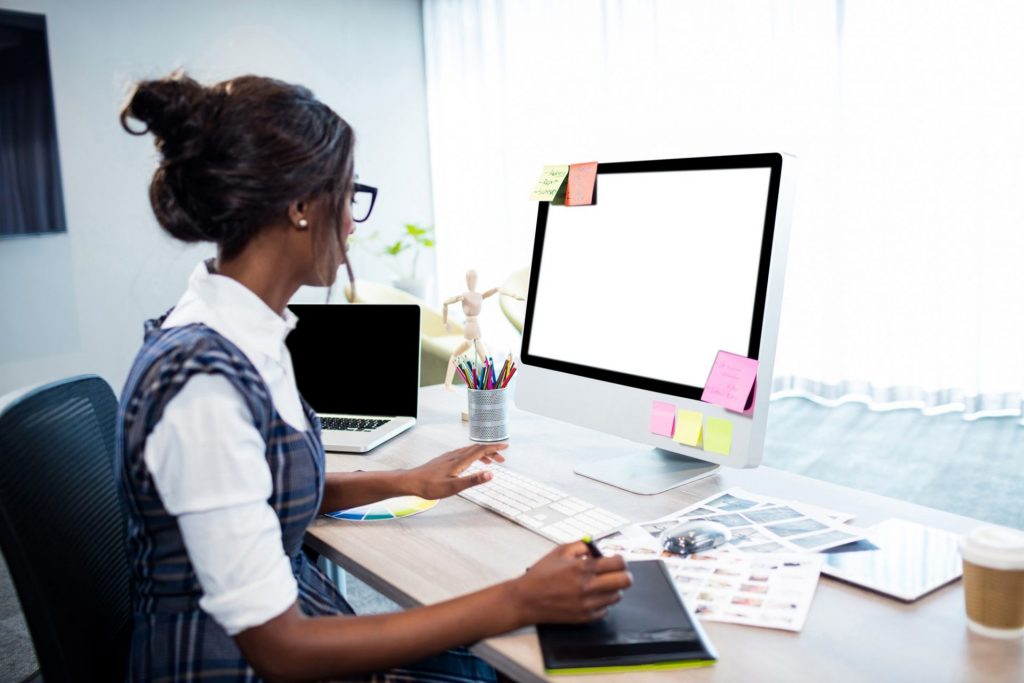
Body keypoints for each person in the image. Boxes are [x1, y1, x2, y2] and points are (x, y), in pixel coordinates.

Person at [115, 72, 632, 683]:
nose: (354, 225)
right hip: (236, 665)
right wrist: (518, 598)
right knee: (517, 659)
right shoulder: (201, 383)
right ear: (302, 207)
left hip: (290, 622)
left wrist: (407, 480)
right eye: (348, 193)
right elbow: (282, 651)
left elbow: (261, 490)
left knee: (503, 661)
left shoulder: (244, 327)